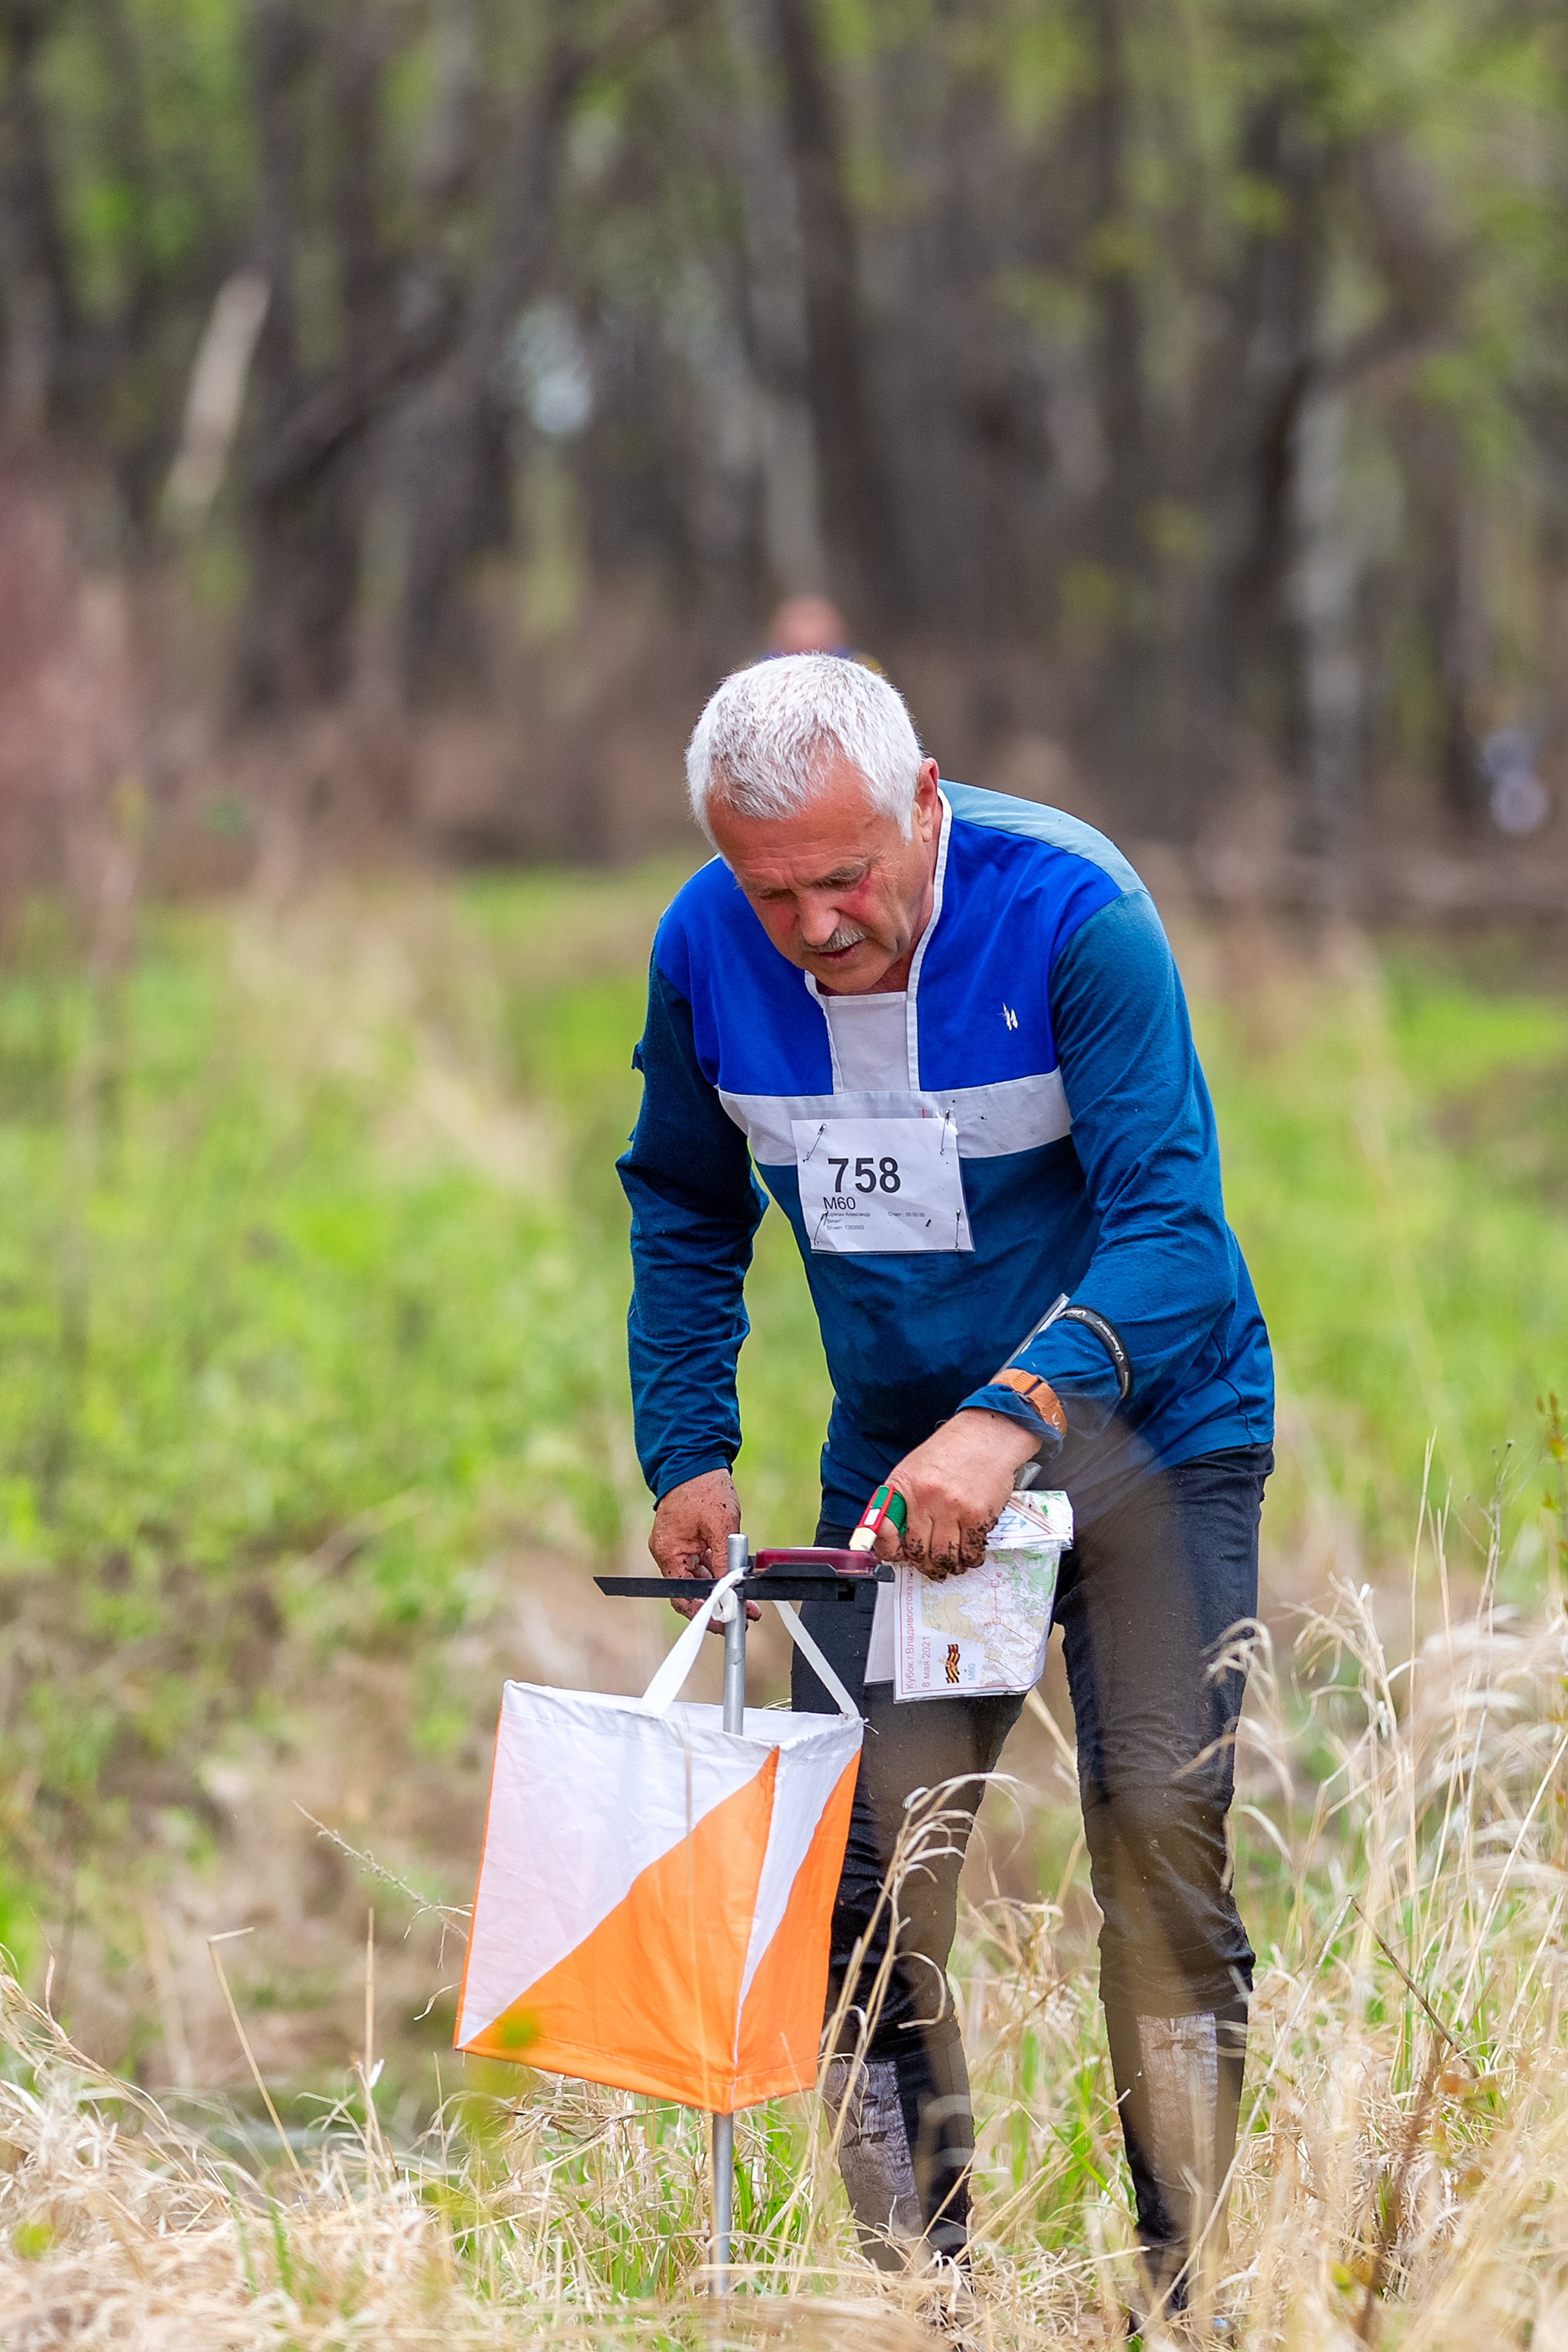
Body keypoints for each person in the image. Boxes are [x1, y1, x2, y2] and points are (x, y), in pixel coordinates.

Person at [617, 655, 1273, 2311]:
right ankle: (928, 2301)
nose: (820, 923)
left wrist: (1011, 1414)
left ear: (927, 801)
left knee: (1154, 1838)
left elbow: (1175, 1235)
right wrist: (688, 1444)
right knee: (856, 1893)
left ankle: (1182, 2295)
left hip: (1152, 1442)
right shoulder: (704, 953)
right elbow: (689, 1209)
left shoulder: (1073, 918)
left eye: (850, 876)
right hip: (906, 1479)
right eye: (778, 891)